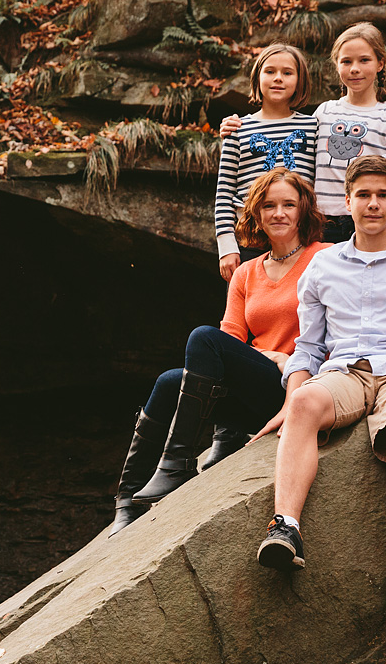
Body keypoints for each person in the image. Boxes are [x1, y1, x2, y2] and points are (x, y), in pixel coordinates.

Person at [251, 155, 386, 618]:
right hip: (347, 371)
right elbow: (308, 348)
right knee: (307, 400)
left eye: (383, 195)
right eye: (364, 195)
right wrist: (292, 399)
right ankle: (286, 527)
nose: (373, 204)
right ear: (347, 202)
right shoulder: (324, 266)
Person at [110, 169, 329, 535]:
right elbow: (229, 342)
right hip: (254, 391)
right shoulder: (246, 273)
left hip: (297, 386)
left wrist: (287, 361)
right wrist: (261, 358)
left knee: (202, 337)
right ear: (256, 214)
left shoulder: (324, 257)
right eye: (269, 205)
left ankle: (176, 463)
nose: (279, 213)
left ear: (303, 211)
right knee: (168, 381)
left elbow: (340, 329)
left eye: (288, 205)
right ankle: (127, 501)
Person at [220, 22, 386, 245]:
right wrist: (232, 124)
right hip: (321, 222)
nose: (355, 68)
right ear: (337, 65)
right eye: (346, 61)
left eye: (364, 60)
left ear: (380, 63)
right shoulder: (324, 113)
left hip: (369, 218)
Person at [214, 43, 319, 283]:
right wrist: (227, 247)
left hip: (298, 237)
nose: (278, 79)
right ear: (257, 77)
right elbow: (224, 192)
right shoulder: (238, 129)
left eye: (287, 73)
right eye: (270, 71)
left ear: (300, 80)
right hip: (250, 238)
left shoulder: (312, 127)